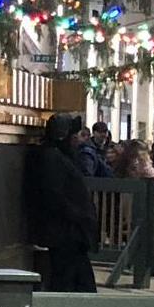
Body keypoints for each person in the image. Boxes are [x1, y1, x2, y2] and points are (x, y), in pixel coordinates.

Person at [24, 111, 99, 292]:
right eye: (74, 136)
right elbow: (55, 194)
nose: (77, 141)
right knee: (69, 281)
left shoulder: (59, 156)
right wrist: (77, 215)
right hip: (64, 233)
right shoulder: (52, 158)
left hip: (70, 233)